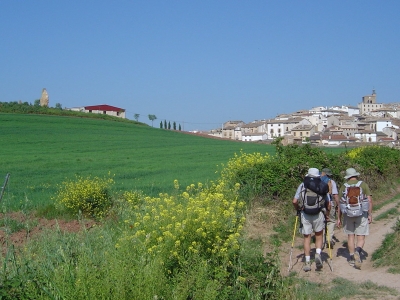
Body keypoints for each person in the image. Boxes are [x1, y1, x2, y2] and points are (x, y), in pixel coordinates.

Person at [293, 167, 330, 272]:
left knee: (307, 238)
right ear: (318, 175)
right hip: (318, 213)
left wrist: (298, 209)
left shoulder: (302, 185)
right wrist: (327, 214)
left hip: (305, 214)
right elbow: (328, 203)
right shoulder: (322, 185)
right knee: (318, 235)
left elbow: (295, 201)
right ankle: (318, 254)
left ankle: (307, 262)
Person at [337, 168, 373, 269]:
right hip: (361, 214)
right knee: (361, 237)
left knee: (350, 237)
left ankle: (352, 258)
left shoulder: (344, 186)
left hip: (348, 215)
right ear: (356, 175)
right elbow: (369, 201)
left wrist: (339, 218)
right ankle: (358, 251)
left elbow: (340, 204)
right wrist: (369, 214)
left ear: (347, 176)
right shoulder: (363, 184)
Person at [320, 168, 339, 248]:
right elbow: (335, 195)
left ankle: (321, 241)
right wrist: (338, 205)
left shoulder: (316, 181)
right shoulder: (331, 181)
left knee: (321, 222)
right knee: (330, 221)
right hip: (329, 203)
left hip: (319, 204)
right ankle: (329, 239)